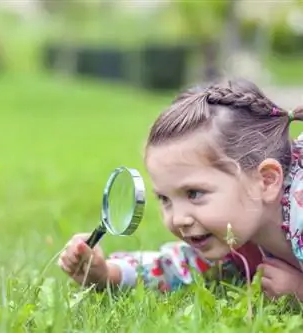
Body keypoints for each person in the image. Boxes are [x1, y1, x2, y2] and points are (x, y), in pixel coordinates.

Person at [58, 77, 303, 300]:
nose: (178, 219)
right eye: (165, 199)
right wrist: (107, 274)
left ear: (267, 181)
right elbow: (180, 265)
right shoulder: (233, 231)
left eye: (194, 193)